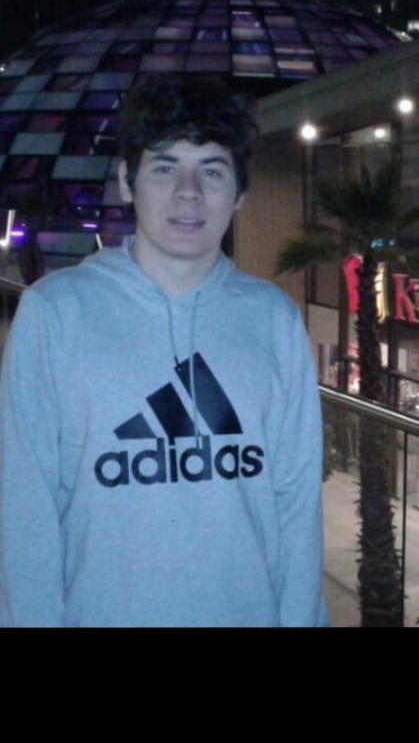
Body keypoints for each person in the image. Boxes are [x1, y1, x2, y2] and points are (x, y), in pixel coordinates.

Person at [0, 74, 328, 628]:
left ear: (239, 193)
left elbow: (297, 508)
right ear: (127, 182)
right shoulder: (55, 313)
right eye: (165, 167)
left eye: (212, 171)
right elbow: (25, 513)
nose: (188, 192)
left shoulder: (273, 319)